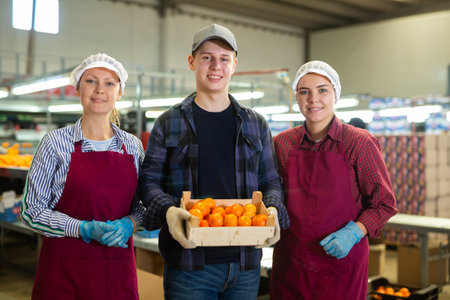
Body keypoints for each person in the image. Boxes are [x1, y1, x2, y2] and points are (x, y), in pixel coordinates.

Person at [139, 23, 289, 300]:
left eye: (224, 59)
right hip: (189, 265)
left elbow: (270, 181)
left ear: (234, 65)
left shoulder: (255, 124)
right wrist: (169, 211)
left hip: (245, 264)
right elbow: (148, 182)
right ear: (192, 62)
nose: (215, 66)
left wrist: (274, 209)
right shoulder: (169, 122)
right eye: (207, 57)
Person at [21, 53, 145, 300]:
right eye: (91, 81)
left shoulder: (132, 146)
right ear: (77, 88)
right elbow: (31, 211)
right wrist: (83, 229)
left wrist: (129, 223)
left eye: (109, 83)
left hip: (116, 271)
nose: (100, 89)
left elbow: (143, 207)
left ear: (119, 93)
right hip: (63, 274)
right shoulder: (54, 143)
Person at [270, 60, 397, 300]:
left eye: (322, 90)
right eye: (304, 92)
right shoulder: (282, 143)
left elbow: (384, 203)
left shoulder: (359, 143)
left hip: (341, 267)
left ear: (336, 95)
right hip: (291, 265)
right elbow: (272, 193)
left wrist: (355, 232)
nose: (313, 99)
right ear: (296, 97)